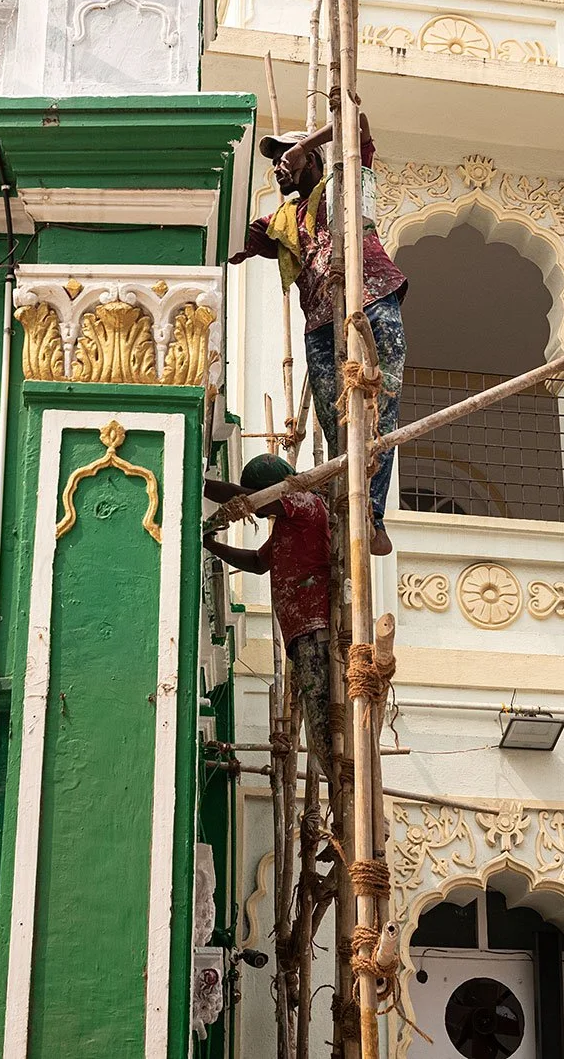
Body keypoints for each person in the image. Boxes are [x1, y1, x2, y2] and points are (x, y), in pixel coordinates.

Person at [230, 114, 405, 556]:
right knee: (336, 421)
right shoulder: (282, 221)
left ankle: (373, 515)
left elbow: (356, 120)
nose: (278, 168)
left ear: (309, 159)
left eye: (283, 158)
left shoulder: (344, 182)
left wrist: (305, 142)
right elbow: (233, 242)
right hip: (320, 323)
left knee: (380, 406)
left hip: (372, 297)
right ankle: (350, 505)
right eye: (274, 161)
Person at [204, 454, 334, 780]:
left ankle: (346, 787)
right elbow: (257, 563)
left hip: (314, 629)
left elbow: (247, 499)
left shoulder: (305, 502)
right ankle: (342, 783)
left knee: (327, 733)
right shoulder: (289, 526)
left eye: (258, 494)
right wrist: (211, 545)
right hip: (301, 636)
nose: (257, 511)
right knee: (322, 734)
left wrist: (198, 483)